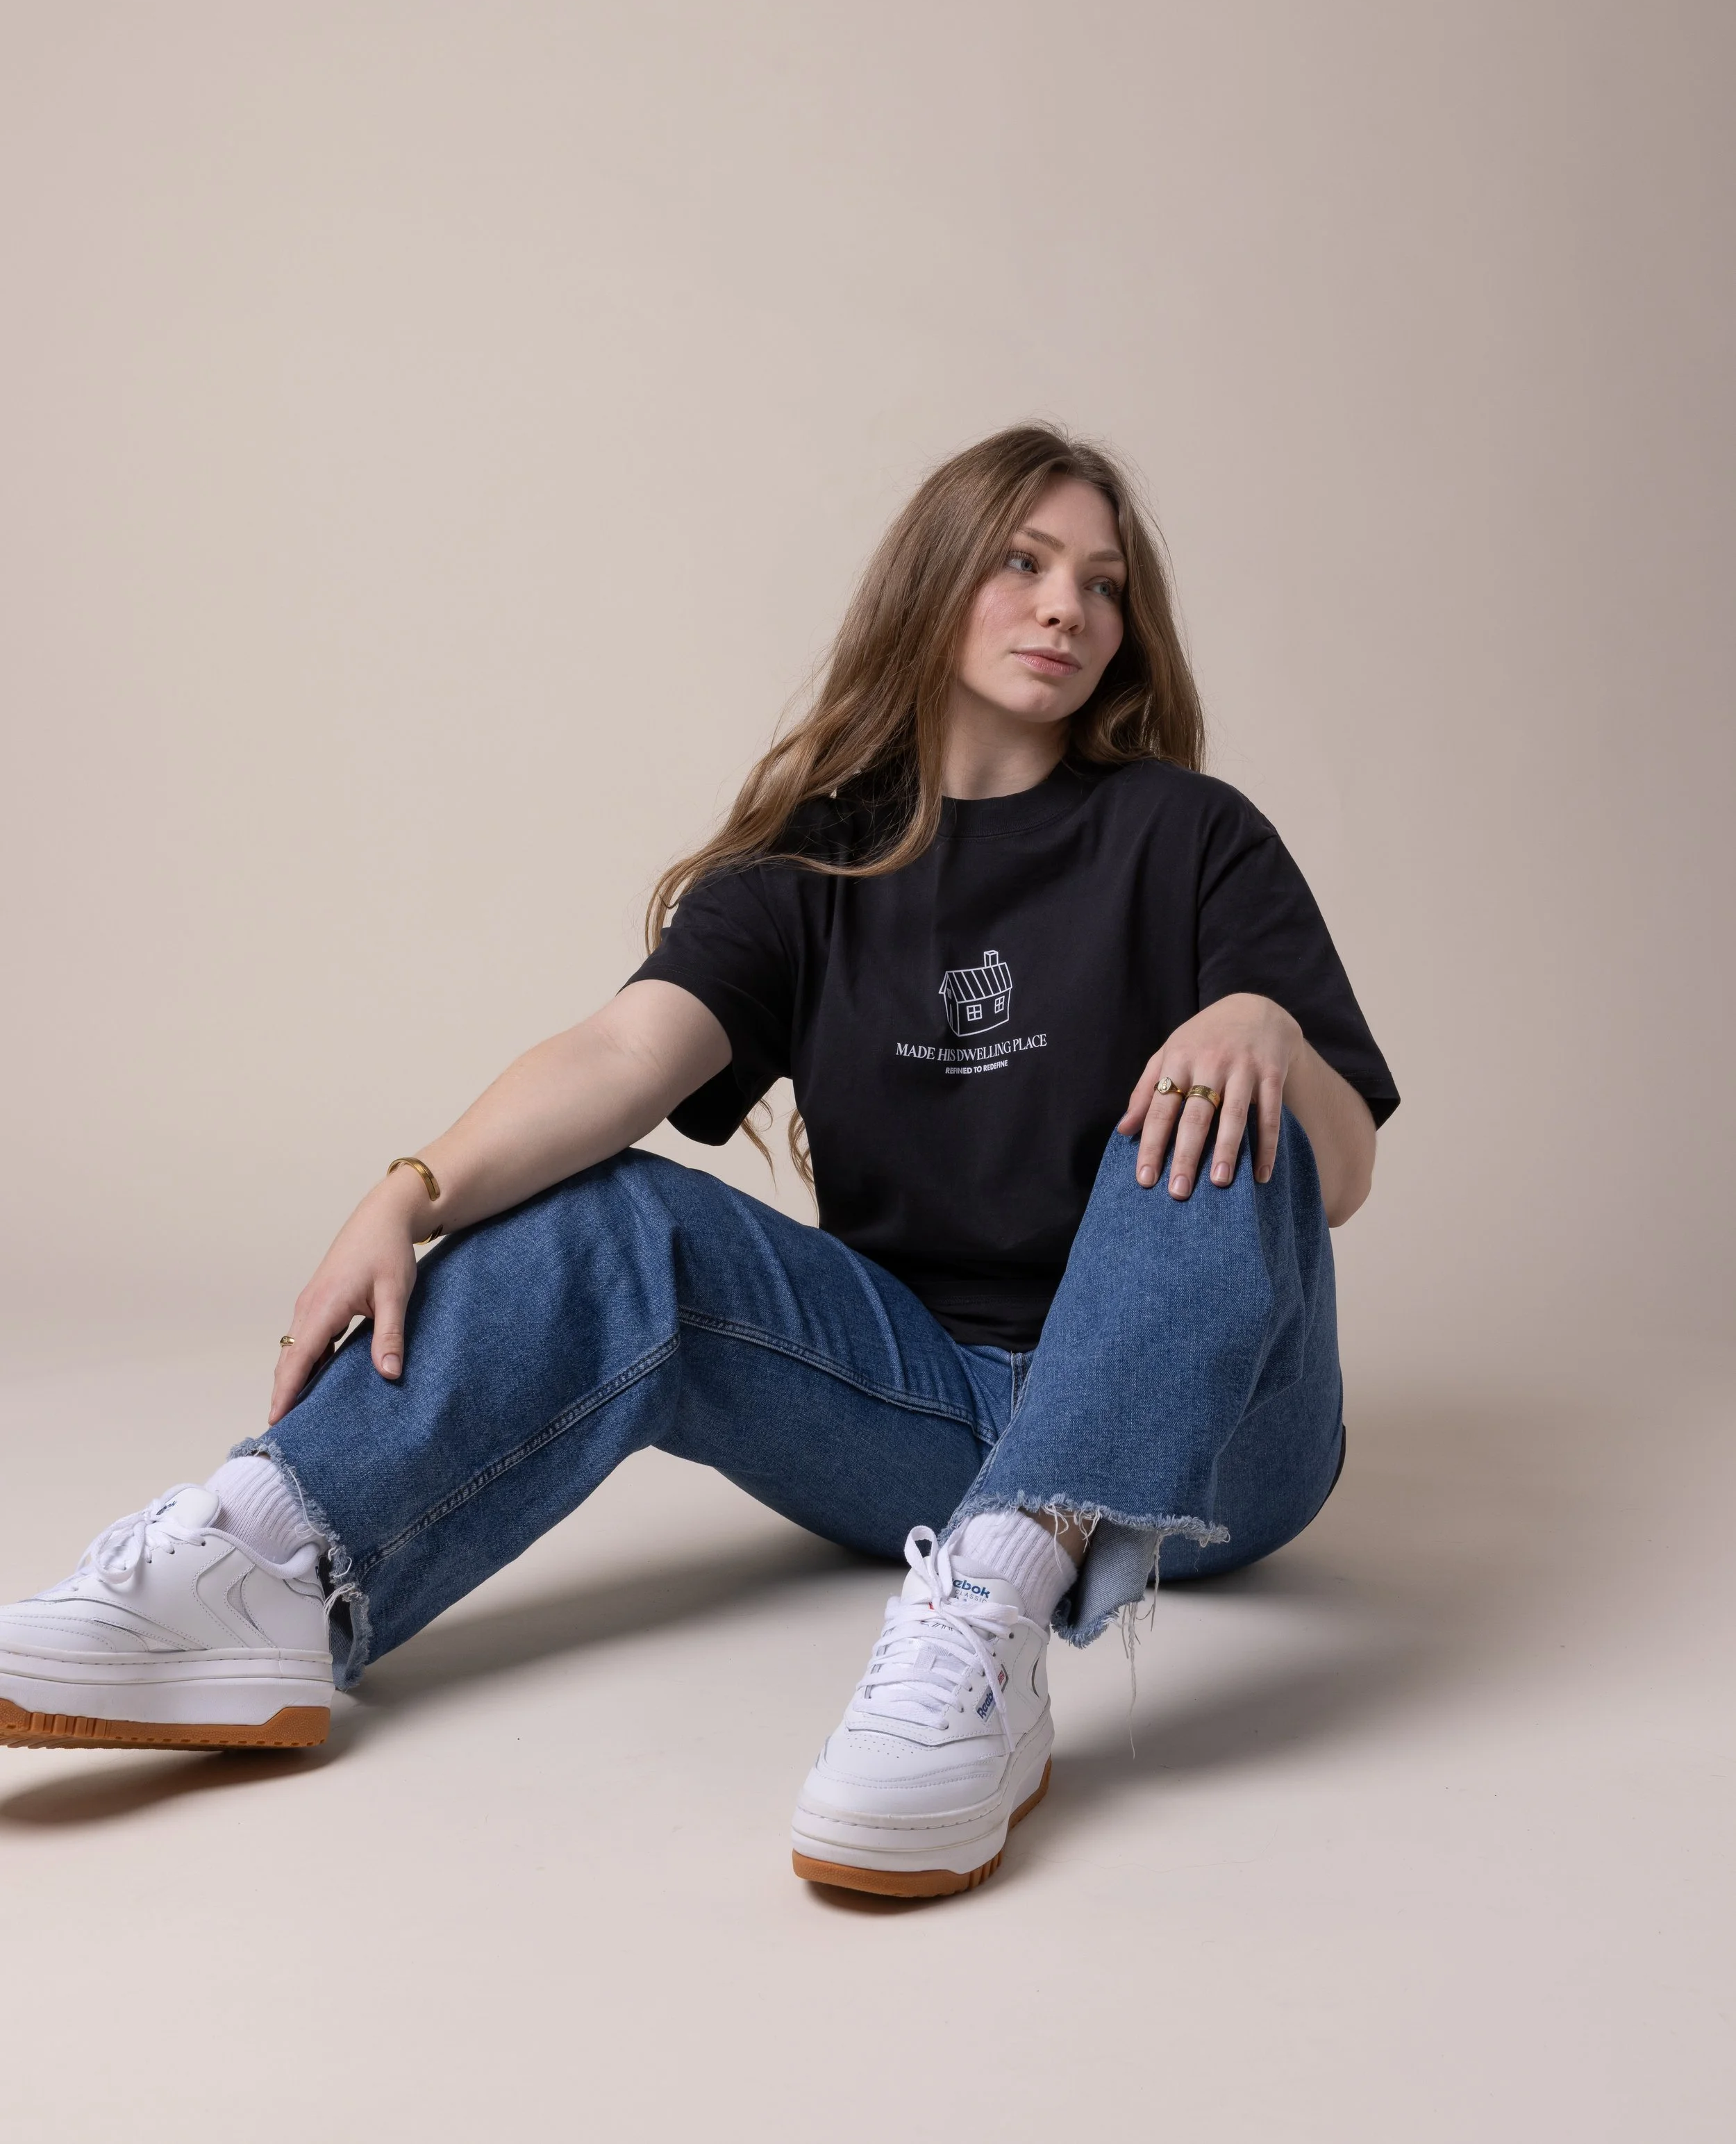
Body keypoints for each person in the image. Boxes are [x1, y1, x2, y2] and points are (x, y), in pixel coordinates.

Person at [0, 425, 1396, 1899]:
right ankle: (273, 1565)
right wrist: (404, 1192)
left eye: (1102, 585)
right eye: (1020, 561)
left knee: (1214, 1091)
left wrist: (1258, 1026)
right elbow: (616, 1061)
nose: (1065, 608)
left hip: (1215, 1442)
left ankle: (992, 1619)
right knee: (605, 1216)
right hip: (925, 1405)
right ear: (932, 580)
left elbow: (1340, 1172)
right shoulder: (817, 866)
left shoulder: (1188, 837)